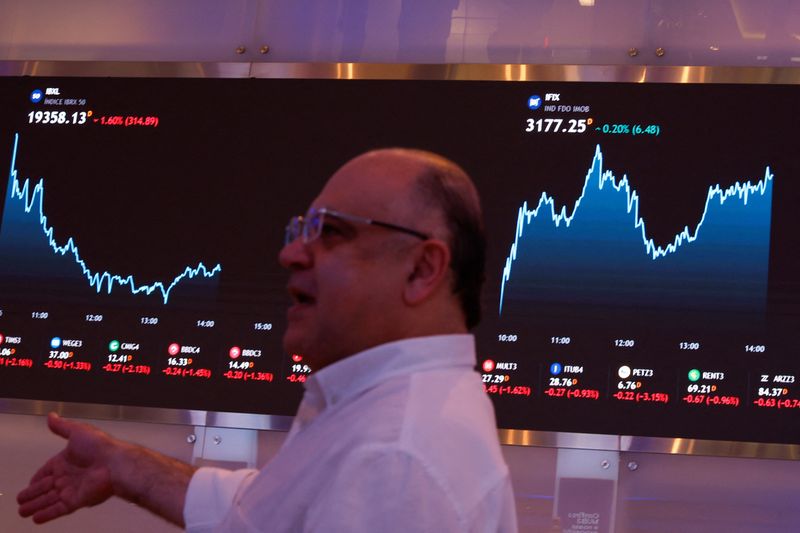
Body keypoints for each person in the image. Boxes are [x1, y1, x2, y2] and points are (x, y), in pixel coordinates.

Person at [17, 148, 518, 532]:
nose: (292, 254)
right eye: (302, 229)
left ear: (421, 269)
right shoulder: (386, 414)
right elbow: (271, 512)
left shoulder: (394, 460)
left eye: (334, 233)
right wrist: (123, 466)